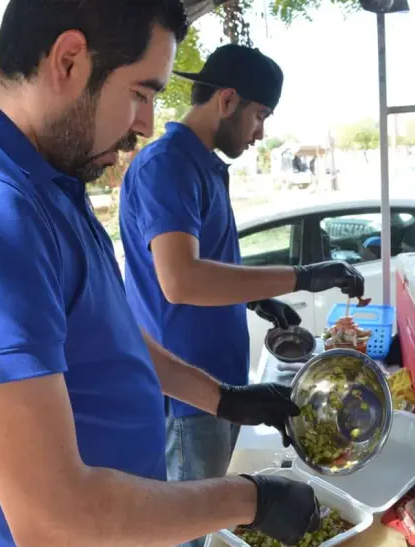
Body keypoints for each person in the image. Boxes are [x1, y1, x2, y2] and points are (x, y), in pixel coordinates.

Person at [0, 2, 321, 546]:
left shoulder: (43, 172)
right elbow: (54, 519)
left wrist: (222, 397)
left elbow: (105, 336)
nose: (146, 123)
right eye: (140, 93)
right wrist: (251, 498)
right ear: (69, 59)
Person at [119, 44, 365, 547]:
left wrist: (254, 299)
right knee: (185, 529)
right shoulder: (167, 166)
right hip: (187, 391)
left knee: (204, 522)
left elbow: (211, 264)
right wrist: (301, 275)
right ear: (227, 100)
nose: (261, 132)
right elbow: (180, 280)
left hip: (220, 383)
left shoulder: (205, 166)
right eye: (259, 115)